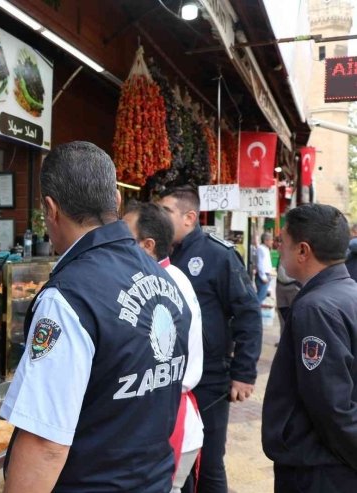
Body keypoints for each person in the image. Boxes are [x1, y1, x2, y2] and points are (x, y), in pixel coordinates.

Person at [0, 142, 192, 493]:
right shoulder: (164, 280)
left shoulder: (69, 297)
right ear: (116, 202)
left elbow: (46, 444)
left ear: (50, 209)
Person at [158, 186, 262, 493]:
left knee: (209, 464)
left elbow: (248, 314)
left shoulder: (218, 254)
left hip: (210, 380)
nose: (160, 219)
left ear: (189, 217)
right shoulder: (162, 253)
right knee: (176, 460)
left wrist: (244, 373)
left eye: (166, 213)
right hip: (170, 377)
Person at [262, 204, 357, 492]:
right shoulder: (347, 292)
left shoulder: (315, 308)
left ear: (303, 251)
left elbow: (331, 406)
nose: (280, 250)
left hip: (319, 468)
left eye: (283, 243)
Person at [123, 201, 204, 493]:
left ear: (147, 245)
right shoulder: (173, 276)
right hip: (166, 415)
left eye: (124, 238)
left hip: (166, 419)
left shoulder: (158, 284)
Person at [275, 259, 300, 332]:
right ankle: (283, 341)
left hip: (294, 286)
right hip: (280, 286)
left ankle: (294, 342)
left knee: (295, 316)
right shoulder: (282, 253)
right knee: (283, 316)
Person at [256, 233, 274, 305]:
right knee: (260, 296)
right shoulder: (261, 249)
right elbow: (260, 264)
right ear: (266, 240)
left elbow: (266, 262)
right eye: (271, 240)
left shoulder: (266, 249)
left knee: (262, 296)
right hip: (263, 275)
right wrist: (263, 276)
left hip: (267, 274)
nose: (272, 242)